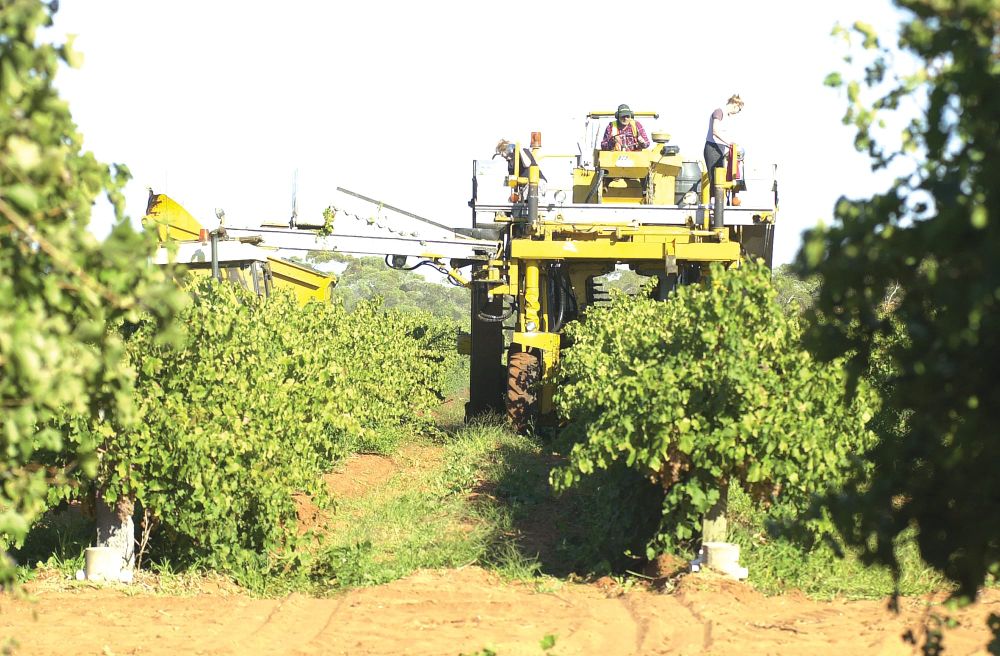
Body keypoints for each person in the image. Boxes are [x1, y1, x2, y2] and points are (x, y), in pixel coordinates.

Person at [704, 94, 744, 200]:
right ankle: (713, 201)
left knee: (720, 176)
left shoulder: (726, 116)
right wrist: (729, 143)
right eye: (738, 110)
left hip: (720, 148)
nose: (737, 113)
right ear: (735, 104)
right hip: (712, 148)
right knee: (714, 177)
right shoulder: (719, 112)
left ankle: (719, 201)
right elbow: (715, 131)